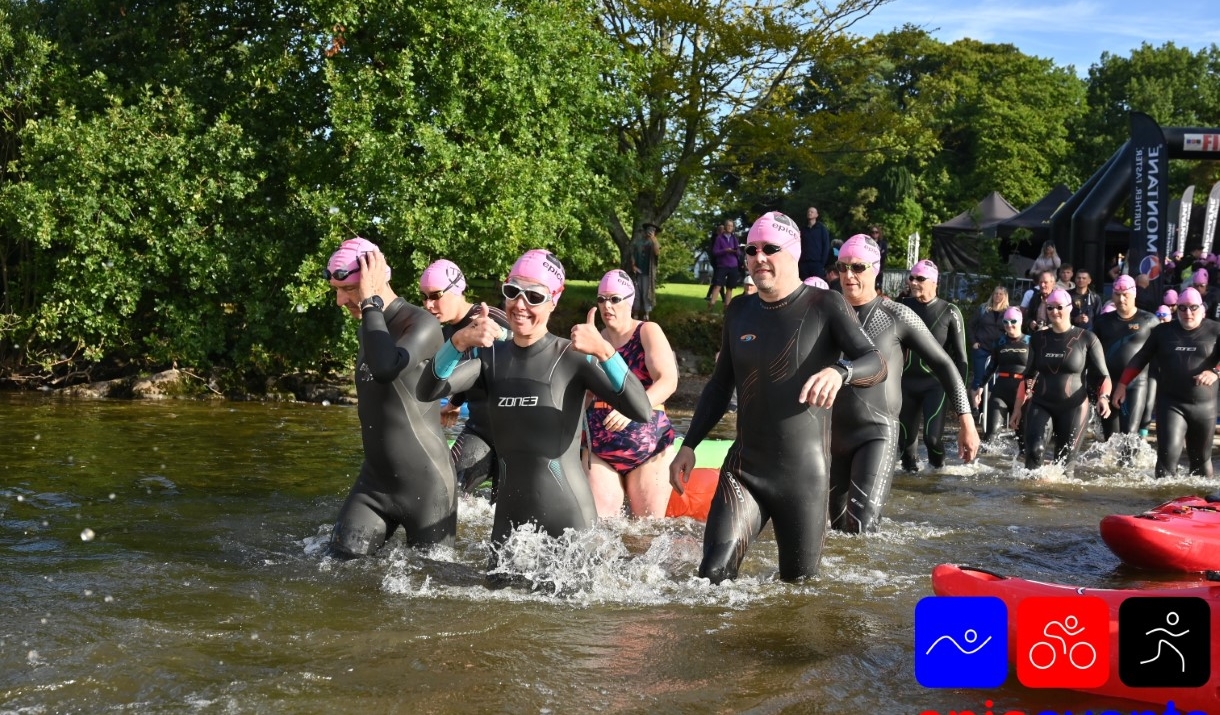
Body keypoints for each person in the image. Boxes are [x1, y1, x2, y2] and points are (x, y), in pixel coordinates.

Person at [669, 211, 885, 584]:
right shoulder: (740, 310)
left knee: (796, 593)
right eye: (750, 249)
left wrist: (840, 372)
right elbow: (720, 385)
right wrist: (689, 444)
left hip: (802, 479)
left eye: (769, 248)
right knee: (711, 577)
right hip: (744, 470)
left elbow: (875, 361)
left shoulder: (825, 305)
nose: (758, 257)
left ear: (794, 252)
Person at [419, 249, 652, 558]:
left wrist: (606, 352)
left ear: (554, 299)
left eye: (534, 296)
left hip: (568, 520)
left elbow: (641, 410)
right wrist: (457, 342)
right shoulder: (490, 357)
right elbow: (427, 390)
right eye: (512, 291)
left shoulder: (572, 357)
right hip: (509, 525)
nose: (520, 304)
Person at [829, 235, 977, 533]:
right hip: (830, 434)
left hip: (876, 433)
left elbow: (945, 364)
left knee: (860, 528)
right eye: (842, 267)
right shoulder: (826, 311)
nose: (848, 275)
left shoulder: (896, 314)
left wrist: (967, 420)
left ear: (875, 269)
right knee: (833, 531)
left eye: (858, 267)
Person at [324, 238, 457, 557]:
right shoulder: (368, 326)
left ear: (376, 280)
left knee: (430, 582)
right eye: (336, 291)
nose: (340, 301)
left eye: (349, 289)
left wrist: (370, 302)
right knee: (336, 567)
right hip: (375, 484)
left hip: (427, 485)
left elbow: (386, 368)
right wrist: (368, 306)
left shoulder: (421, 323)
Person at [585, 269, 679, 518]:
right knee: (599, 528)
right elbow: (585, 395)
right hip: (600, 447)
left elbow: (668, 380)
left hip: (649, 446)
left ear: (629, 301)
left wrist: (632, 409)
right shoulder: (595, 339)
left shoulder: (647, 331)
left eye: (614, 299)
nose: (607, 305)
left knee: (645, 532)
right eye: (601, 299)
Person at [419, 259, 512, 496]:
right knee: (443, 494)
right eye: (424, 297)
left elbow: (535, 349)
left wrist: (502, 334)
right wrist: (454, 402)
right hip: (479, 430)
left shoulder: (490, 317)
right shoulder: (447, 333)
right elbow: (471, 371)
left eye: (435, 295)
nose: (428, 304)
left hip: (515, 434)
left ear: (457, 289)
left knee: (506, 510)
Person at [1114, 287, 1220, 479]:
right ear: (1176, 309)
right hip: (1172, 404)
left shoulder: (1215, 330)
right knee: (1166, 459)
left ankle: (1199, 499)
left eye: (1193, 307)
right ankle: (1163, 496)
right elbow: (1140, 358)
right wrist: (1122, 385)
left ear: (1202, 308)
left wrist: (1215, 372)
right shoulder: (1163, 331)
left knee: (1201, 461)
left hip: (1205, 407)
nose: (1188, 313)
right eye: (1182, 308)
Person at [1010, 288, 1111, 474]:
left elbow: (1103, 376)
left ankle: (1058, 493)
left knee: (1064, 466)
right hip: (1041, 403)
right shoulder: (1038, 338)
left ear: (1070, 308)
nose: (1054, 311)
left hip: (1074, 407)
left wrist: (1103, 397)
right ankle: (1029, 493)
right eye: (1050, 308)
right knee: (1034, 452)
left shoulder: (1087, 338)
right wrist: (1017, 408)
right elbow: (1028, 375)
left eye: (1059, 307)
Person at [897, 259, 969, 472]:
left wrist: (960, 400)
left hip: (935, 385)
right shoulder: (902, 306)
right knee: (905, 447)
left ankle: (937, 476)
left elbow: (962, 359)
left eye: (920, 278)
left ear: (934, 283)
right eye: (911, 277)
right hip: (906, 383)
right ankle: (911, 487)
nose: (913, 282)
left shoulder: (950, 311)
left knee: (932, 439)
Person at [1093, 275, 1157, 448]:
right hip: (1108, 384)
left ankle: (1130, 463)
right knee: (1110, 441)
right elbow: (1089, 352)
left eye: (1125, 295)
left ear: (1134, 294)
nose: (1121, 299)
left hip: (1136, 384)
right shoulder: (1102, 322)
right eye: (1117, 294)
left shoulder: (1150, 321)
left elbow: (1162, 353)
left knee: (1130, 437)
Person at [979, 307, 1030, 447]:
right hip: (1001, 392)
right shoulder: (999, 342)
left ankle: (1021, 461)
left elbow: (1037, 369)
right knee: (991, 434)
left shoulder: (1031, 341)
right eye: (1006, 322)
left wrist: (1031, 388)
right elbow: (991, 366)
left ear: (1020, 322)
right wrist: (980, 386)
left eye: (1013, 321)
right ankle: (983, 460)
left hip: (1023, 393)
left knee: (1023, 438)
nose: (1009, 325)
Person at [968, 286, 1009, 407]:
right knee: (978, 379)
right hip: (981, 348)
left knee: (992, 382)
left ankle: (986, 409)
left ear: (1005, 297)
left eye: (1001, 294)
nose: (998, 296)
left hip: (997, 350)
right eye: (996, 293)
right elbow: (971, 325)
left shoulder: (1007, 312)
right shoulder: (983, 309)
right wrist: (973, 342)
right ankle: (975, 408)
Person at [706, 220, 741, 310]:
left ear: (733, 228)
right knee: (717, 285)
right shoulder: (719, 238)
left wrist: (736, 251)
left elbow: (739, 252)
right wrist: (725, 250)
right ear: (725, 227)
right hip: (722, 265)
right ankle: (711, 305)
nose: (729, 227)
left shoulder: (734, 238)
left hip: (733, 265)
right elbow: (715, 252)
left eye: (731, 226)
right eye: (728, 225)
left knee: (730, 287)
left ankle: (727, 307)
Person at [630, 223, 661, 321]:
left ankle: (646, 314)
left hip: (648, 273)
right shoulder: (638, 243)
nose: (649, 232)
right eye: (648, 230)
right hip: (637, 273)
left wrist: (653, 239)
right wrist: (633, 266)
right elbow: (633, 255)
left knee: (646, 294)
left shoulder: (654, 243)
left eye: (652, 231)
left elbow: (657, 252)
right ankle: (635, 313)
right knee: (636, 293)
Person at [798, 206, 832, 280]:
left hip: (817, 264)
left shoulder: (822, 229)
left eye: (812, 212)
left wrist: (822, 263)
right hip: (803, 263)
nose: (809, 213)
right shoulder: (803, 229)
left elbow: (826, 246)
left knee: (816, 285)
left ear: (816, 215)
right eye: (808, 212)